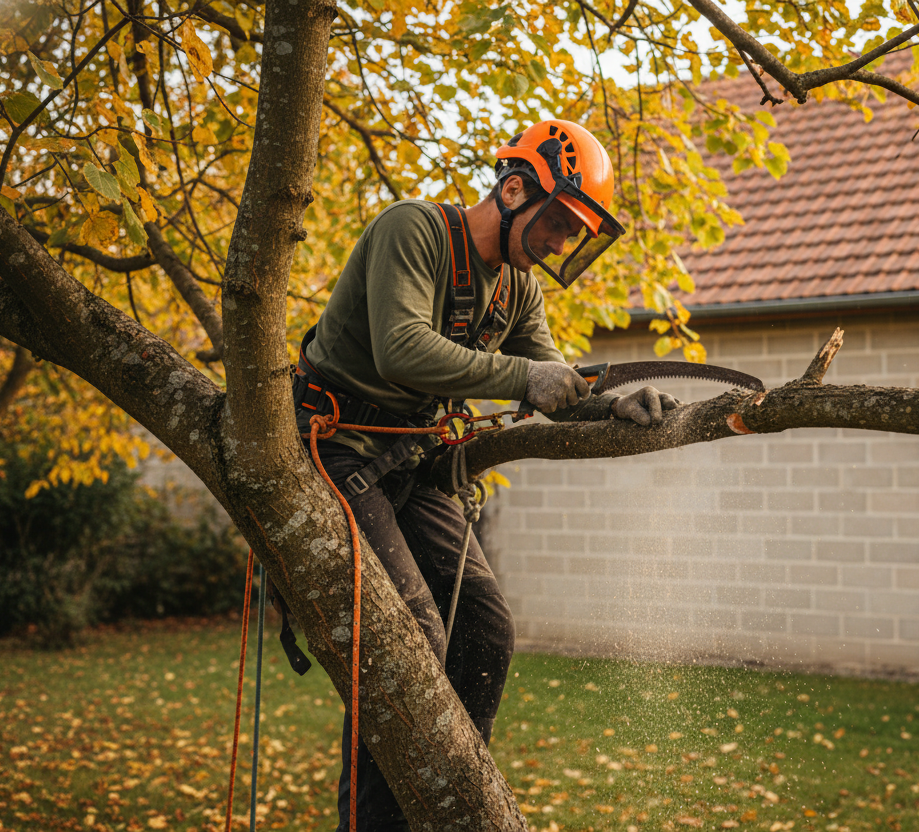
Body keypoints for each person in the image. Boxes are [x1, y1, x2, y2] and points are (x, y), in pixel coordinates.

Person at [291, 119, 679, 831]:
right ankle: (375, 823)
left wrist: (612, 404)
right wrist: (528, 377)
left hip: (410, 460)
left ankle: (452, 801)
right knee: (408, 639)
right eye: (559, 221)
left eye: (573, 231)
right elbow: (404, 349)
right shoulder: (414, 231)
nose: (563, 241)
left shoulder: (516, 293)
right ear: (513, 187)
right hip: (337, 447)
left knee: (485, 628)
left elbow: (553, 388)